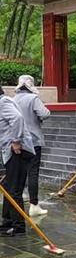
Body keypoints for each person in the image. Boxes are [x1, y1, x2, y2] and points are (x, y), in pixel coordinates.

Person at [0, 86, 35, 236]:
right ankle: (7, 222)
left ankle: (18, 226)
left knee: (14, 189)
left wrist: (16, 141)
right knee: (7, 187)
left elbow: (17, 118)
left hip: (17, 151)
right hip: (10, 152)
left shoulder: (3, 102)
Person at [14, 75, 51, 216]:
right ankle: (34, 205)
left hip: (18, 141)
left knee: (21, 170)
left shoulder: (14, 99)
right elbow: (45, 113)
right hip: (33, 140)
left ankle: (21, 197)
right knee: (33, 172)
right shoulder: (33, 98)